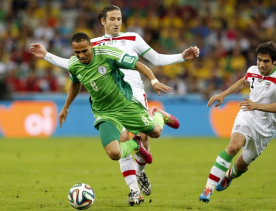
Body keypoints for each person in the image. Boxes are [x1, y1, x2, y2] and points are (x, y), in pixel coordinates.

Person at [34, 5, 199, 199]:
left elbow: (156, 59)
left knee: (148, 137)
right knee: (121, 140)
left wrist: (181, 57)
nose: (116, 22)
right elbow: (73, 64)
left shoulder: (133, 38)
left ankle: (141, 172)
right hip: (108, 99)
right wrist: (47, 55)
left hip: (134, 92)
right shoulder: (92, 45)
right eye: (112, 19)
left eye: (119, 18)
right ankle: (134, 190)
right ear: (102, 21)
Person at [199, 41, 276, 203]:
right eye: (259, 60)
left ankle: (228, 176)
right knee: (233, 146)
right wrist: (223, 94)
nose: (261, 64)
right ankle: (208, 188)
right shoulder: (253, 70)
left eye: (266, 61)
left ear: (274, 61)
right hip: (248, 115)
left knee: (241, 166)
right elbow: (243, 81)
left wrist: (257, 105)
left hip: (266, 129)